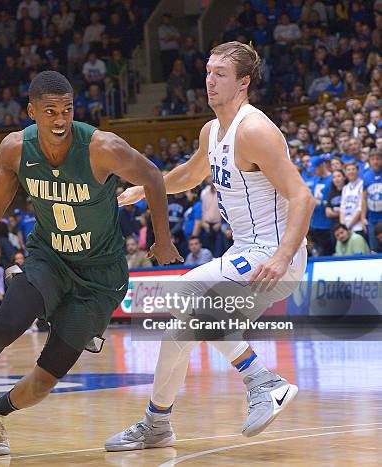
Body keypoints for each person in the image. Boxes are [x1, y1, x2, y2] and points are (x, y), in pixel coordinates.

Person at [0, 70, 179, 456]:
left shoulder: (101, 147)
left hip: (100, 276)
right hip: (50, 256)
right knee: (10, 322)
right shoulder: (15, 150)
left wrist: (162, 238)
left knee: (44, 381)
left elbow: (152, 175)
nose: (60, 120)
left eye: (67, 110)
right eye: (50, 111)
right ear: (32, 112)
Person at [106, 41, 314, 451]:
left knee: (187, 291)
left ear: (244, 82)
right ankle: (157, 423)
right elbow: (191, 173)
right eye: (208, 71)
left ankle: (262, 380)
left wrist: (283, 256)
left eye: (220, 73)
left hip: (274, 255)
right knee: (179, 328)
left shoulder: (254, 130)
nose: (210, 80)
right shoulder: (213, 129)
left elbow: (303, 197)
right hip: (244, 253)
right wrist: (147, 190)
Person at [361, 151, 381, 251]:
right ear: (369, 161)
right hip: (372, 218)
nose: (375, 162)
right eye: (373, 159)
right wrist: (363, 217)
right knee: (374, 247)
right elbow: (364, 198)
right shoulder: (366, 176)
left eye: (378, 159)